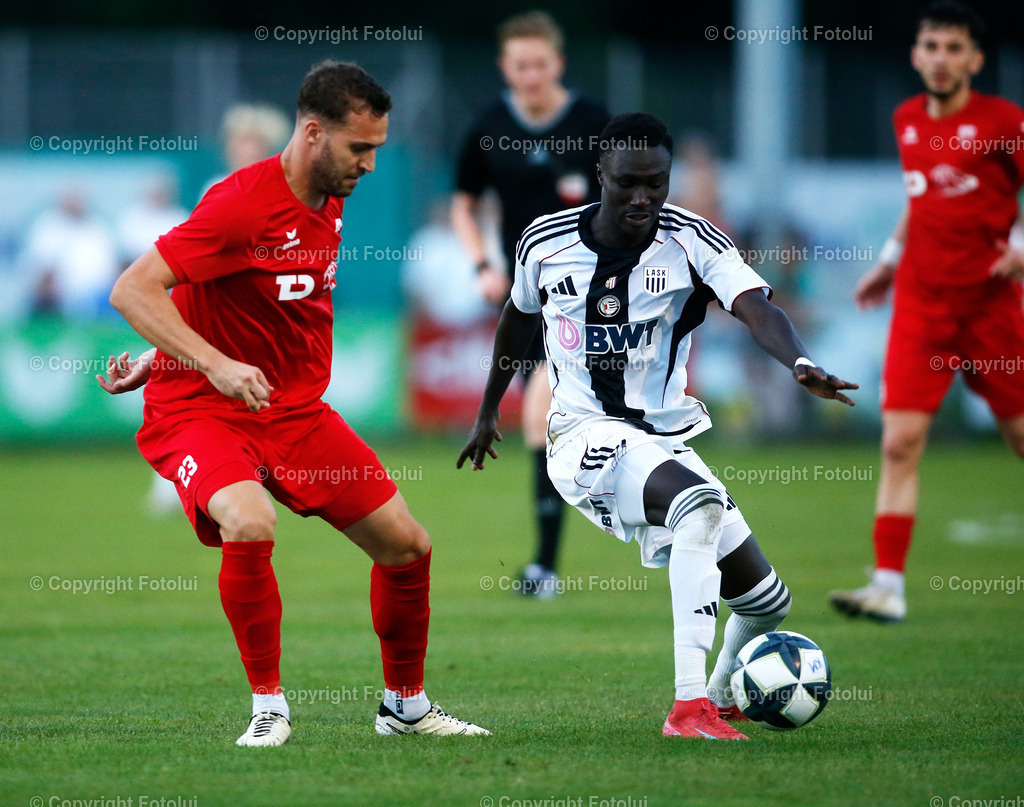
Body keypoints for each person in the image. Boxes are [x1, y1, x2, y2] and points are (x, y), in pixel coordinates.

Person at [96, 60, 489, 745]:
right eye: (359, 147)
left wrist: (169, 351)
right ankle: (268, 707)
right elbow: (133, 289)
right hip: (202, 409)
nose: (369, 164)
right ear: (312, 133)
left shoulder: (330, 193)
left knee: (406, 546)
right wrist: (207, 364)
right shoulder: (239, 203)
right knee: (250, 523)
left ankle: (405, 707)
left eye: (377, 148)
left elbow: (238, 299)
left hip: (292, 409)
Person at [457, 113, 857, 739]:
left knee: (766, 603)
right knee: (698, 508)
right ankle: (688, 709)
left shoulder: (693, 240)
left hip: (661, 439)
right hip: (582, 433)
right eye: (628, 183)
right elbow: (517, 318)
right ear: (601, 175)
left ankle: (721, 696)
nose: (643, 197)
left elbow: (756, 308)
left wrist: (799, 361)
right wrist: (488, 411)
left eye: (656, 182)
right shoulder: (544, 242)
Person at [829, 1, 1024, 623]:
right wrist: (889, 261)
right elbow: (922, 196)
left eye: (953, 47)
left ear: (975, 59)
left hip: (991, 307)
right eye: (932, 46)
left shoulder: (1004, 121)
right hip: (922, 305)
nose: (941, 58)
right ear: (916, 55)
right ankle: (887, 587)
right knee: (899, 443)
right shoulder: (907, 118)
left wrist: (1021, 247)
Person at [451, 11, 610, 597]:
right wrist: (483, 266)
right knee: (554, 422)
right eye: (521, 65)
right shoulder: (490, 126)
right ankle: (551, 562)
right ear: (505, 68)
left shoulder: (595, 123)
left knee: (551, 411)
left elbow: (633, 195)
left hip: (597, 294)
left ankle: (545, 567)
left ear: (558, 64)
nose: (532, 75)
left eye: (541, 64)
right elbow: (463, 205)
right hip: (526, 300)